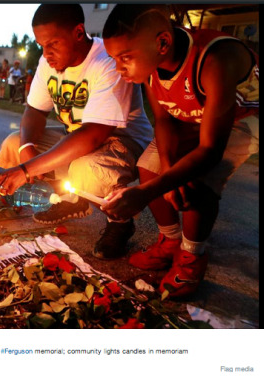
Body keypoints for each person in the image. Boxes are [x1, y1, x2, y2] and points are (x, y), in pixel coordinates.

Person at [101, 5, 259, 297]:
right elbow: (163, 119)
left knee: (200, 180)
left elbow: (211, 150)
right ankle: (171, 240)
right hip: (195, 114)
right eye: (113, 59)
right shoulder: (150, 68)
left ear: (162, 43)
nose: (118, 68)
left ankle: (192, 256)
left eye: (125, 58)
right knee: (150, 168)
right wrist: (168, 170)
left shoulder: (214, 60)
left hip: (242, 116)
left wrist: (149, 192)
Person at [0, 4, 153, 259]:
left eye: (52, 43)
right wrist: (26, 151)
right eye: (41, 45)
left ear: (78, 32)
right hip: (78, 136)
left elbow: (95, 134)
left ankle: (120, 223)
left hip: (121, 140)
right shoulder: (47, 62)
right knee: (14, 143)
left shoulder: (106, 60)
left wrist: (27, 170)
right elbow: (35, 111)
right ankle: (69, 198)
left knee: (85, 169)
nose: (46, 53)